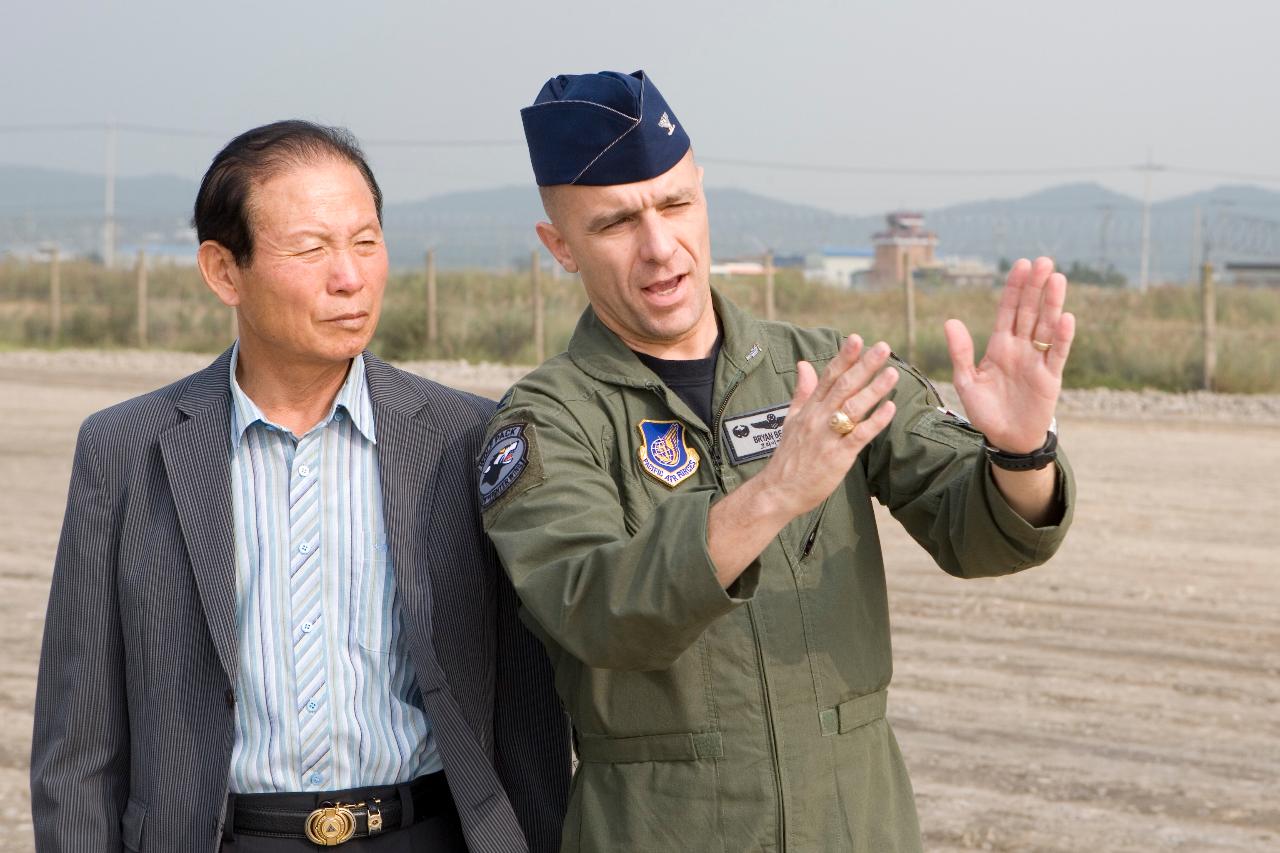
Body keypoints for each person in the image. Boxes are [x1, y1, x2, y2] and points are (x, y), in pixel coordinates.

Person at [478, 70, 1077, 852]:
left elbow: (981, 532)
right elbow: (596, 611)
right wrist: (773, 493)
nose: (661, 247)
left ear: (702, 196)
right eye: (616, 223)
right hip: (663, 828)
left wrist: (1019, 448)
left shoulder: (828, 366)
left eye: (675, 204)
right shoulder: (547, 420)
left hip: (855, 823)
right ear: (559, 246)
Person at [31, 120, 569, 853]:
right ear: (224, 271)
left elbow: (528, 718)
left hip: (423, 831)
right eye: (312, 248)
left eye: (366, 241)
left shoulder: (464, 437)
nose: (348, 276)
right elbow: (78, 746)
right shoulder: (126, 449)